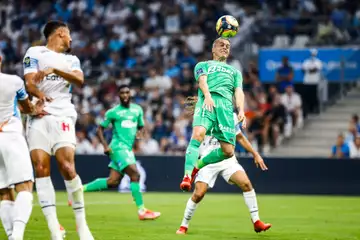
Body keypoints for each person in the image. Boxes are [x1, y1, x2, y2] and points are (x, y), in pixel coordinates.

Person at [23, 20, 93, 240]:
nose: (71, 39)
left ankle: (82, 228)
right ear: (61, 33)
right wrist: (38, 96)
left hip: (63, 114)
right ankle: (54, 230)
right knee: (41, 168)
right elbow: (29, 83)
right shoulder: (34, 52)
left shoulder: (71, 59)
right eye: (69, 35)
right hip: (39, 115)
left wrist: (55, 70)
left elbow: (80, 79)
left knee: (67, 167)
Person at [176, 96, 271, 234]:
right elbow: (196, 139)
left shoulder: (230, 116)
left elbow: (240, 137)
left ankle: (256, 221)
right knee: (198, 194)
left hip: (227, 160)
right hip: (208, 160)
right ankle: (184, 225)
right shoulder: (204, 116)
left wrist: (255, 154)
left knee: (246, 184)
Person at [82, 85, 161, 220]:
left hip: (127, 149)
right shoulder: (113, 112)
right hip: (117, 147)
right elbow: (99, 129)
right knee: (135, 174)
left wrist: (139, 135)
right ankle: (142, 211)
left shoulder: (137, 110)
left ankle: (80, 189)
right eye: (122, 93)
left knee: (113, 182)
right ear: (118, 96)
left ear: (130, 95)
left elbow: (141, 127)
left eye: (127, 92)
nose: (125, 95)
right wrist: (105, 146)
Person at [181, 37, 246, 192]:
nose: (225, 47)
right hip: (207, 102)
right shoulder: (203, 65)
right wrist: (208, 96)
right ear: (213, 49)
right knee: (198, 134)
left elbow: (238, 91)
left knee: (228, 151)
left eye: (228, 46)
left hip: (225, 108)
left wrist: (241, 109)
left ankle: (197, 166)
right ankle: (187, 176)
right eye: (221, 45)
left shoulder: (235, 72)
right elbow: (202, 81)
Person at [0, 54, 46, 240]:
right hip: (10, 136)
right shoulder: (14, 81)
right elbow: (27, 107)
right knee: (25, 187)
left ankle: (11, 235)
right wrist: (37, 108)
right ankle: (17, 236)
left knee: (4, 191)